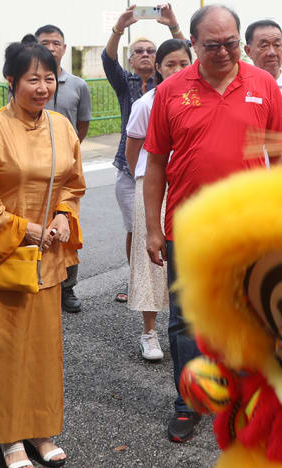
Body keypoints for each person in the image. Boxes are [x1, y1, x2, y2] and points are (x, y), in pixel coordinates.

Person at [143, 4, 282, 443]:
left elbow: (281, 157)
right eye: (212, 45)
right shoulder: (171, 91)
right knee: (185, 321)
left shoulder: (262, 84)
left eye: (230, 42)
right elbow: (154, 165)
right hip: (187, 229)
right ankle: (189, 403)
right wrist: (153, 229)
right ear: (193, 43)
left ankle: (245, 400)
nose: (224, 52)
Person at [0, 36, 85, 468]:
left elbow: (72, 182)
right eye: (33, 79)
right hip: (5, 252)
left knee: (43, 351)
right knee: (4, 347)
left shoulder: (61, 126)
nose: (42, 87)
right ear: (10, 80)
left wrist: (64, 216)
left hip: (48, 255)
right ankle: (8, 436)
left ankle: (41, 430)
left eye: (49, 78)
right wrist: (22, 228)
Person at [103, 3, 184, 304]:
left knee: (160, 231)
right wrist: (119, 28)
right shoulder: (127, 83)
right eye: (140, 51)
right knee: (138, 230)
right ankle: (138, 280)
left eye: (151, 50)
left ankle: (161, 283)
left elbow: (187, 59)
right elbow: (108, 60)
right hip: (131, 170)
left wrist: (174, 26)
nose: (146, 54)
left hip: (169, 170)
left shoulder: (175, 87)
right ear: (131, 59)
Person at [125, 39, 191, 362]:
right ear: (159, 69)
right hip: (150, 186)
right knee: (151, 258)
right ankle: (149, 332)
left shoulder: (200, 98)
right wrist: (146, 180)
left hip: (188, 185)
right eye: (170, 65)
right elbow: (134, 151)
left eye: (183, 64)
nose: (177, 70)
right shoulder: (148, 103)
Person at [36, 24, 91, 314]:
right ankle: (38, 278)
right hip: (33, 167)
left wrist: (70, 152)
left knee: (67, 226)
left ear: (64, 48)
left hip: (66, 170)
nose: (51, 47)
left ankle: (68, 288)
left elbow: (83, 123)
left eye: (56, 43)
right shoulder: (27, 81)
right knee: (35, 226)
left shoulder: (78, 84)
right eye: (45, 42)